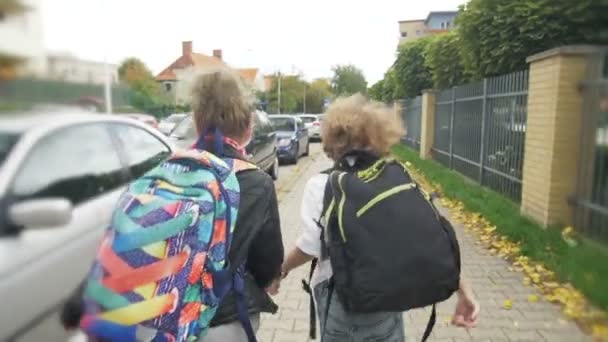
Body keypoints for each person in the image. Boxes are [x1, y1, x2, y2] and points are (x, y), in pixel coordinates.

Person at [61, 68, 284, 342]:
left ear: (196, 121)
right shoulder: (256, 182)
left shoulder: (167, 170)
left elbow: (121, 242)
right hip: (220, 322)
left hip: (153, 322)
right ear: (249, 126)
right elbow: (267, 263)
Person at [281, 94, 479, 341]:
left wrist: (281, 269)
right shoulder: (394, 178)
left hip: (344, 303)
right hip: (388, 299)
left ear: (332, 140)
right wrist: (463, 287)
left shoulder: (322, 184)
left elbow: (311, 245)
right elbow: (423, 237)